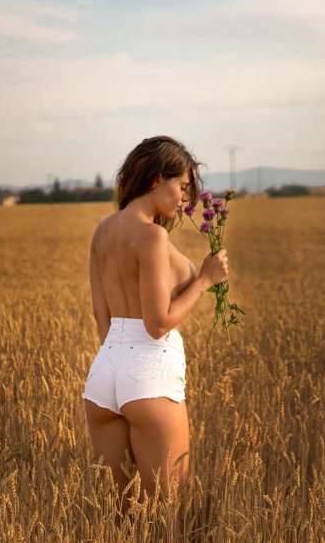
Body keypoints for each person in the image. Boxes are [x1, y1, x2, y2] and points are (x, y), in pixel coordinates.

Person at [82, 136, 229, 503]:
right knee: (166, 521)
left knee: (119, 517)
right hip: (149, 371)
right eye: (181, 186)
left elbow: (103, 316)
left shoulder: (103, 230)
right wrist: (206, 281)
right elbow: (158, 324)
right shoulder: (152, 236)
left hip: (104, 374)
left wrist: (120, 364)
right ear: (155, 179)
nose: (186, 198)